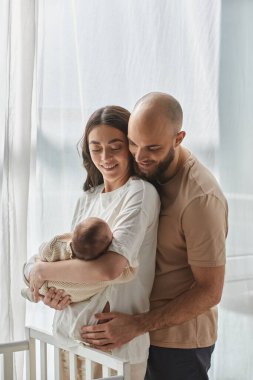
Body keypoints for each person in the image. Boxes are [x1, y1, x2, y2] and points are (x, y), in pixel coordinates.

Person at [76, 92, 228, 380]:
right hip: (135, 333)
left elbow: (210, 290)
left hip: (178, 343)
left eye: (153, 148)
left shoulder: (200, 198)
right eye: (133, 143)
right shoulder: (144, 175)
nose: (140, 156)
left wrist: (138, 324)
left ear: (178, 138)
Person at [25, 105, 160, 380]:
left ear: (131, 147)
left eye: (115, 146)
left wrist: (41, 272)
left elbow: (108, 269)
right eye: (96, 148)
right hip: (70, 334)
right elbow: (69, 257)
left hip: (112, 346)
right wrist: (58, 294)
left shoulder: (140, 193)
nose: (105, 157)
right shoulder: (88, 197)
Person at [21, 217, 136, 303]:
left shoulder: (58, 247)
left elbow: (43, 251)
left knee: (31, 265)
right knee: (40, 284)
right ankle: (34, 294)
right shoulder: (96, 277)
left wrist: (40, 261)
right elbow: (128, 273)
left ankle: (33, 293)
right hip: (61, 292)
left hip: (44, 285)